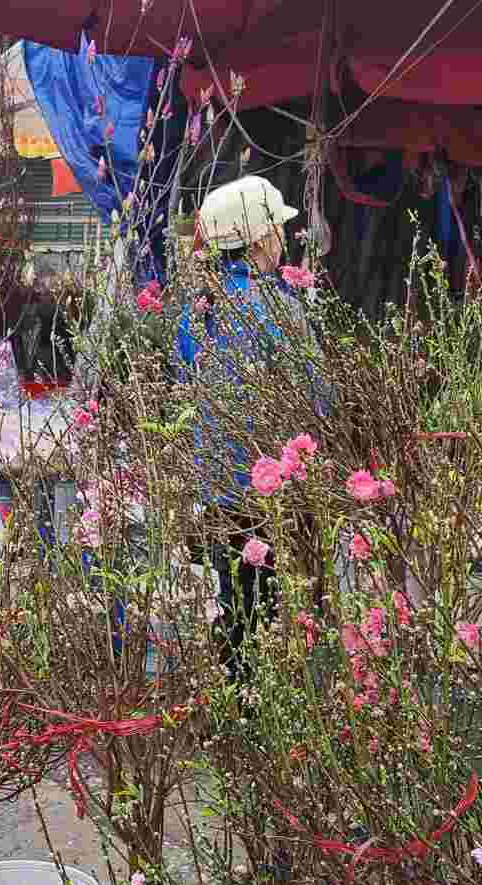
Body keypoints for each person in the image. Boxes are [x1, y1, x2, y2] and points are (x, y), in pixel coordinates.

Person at [174, 175, 326, 682]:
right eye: (277, 230)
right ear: (262, 239)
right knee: (271, 605)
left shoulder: (199, 311)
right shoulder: (279, 308)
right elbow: (317, 397)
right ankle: (260, 713)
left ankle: (239, 695)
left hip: (218, 485)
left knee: (235, 597)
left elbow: (186, 376)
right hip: (269, 490)